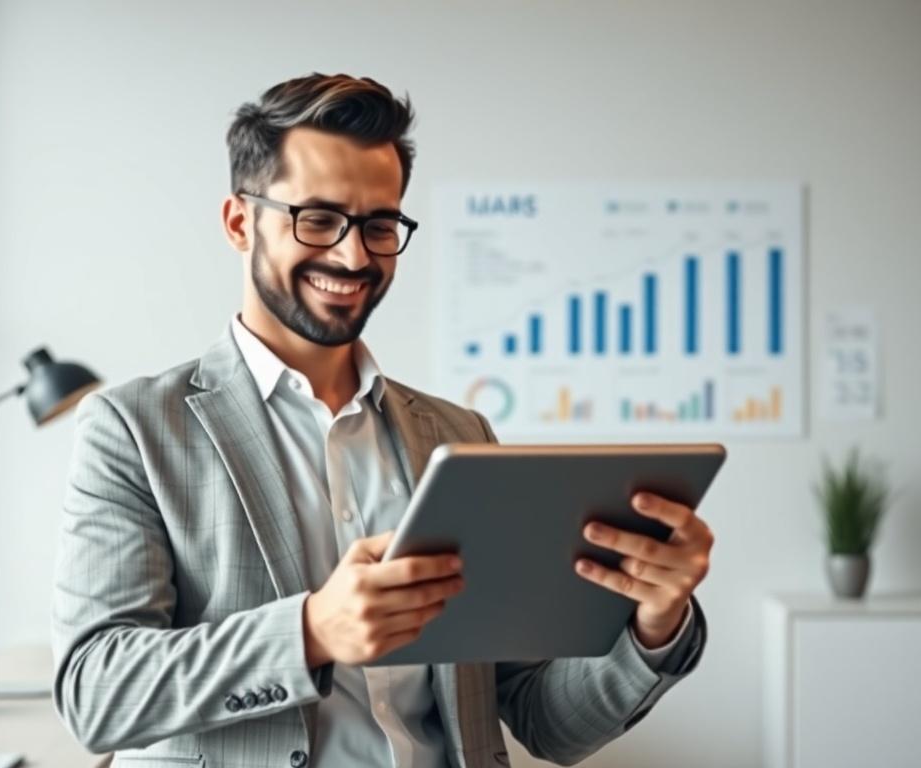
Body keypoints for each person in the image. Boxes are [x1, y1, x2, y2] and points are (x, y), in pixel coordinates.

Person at [52, 73, 714, 768]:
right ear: (240, 222)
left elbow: (546, 721)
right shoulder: (131, 429)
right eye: (317, 218)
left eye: (379, 224)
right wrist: (309, 631)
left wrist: (654, 623)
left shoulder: (462, 437)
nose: (353, 255)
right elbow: (95, 693)